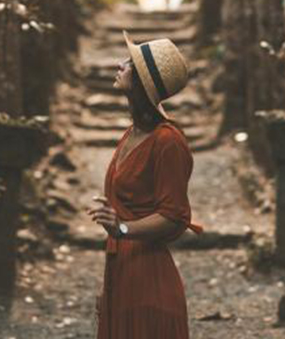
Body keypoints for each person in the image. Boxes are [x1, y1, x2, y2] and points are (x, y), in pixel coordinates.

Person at [87, 31, 203, 339]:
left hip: (149, 285)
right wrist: (108, 287)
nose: (120, 65)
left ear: (142, 82)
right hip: (122, 273)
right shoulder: (132, 133)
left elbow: (175, 216)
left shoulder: (168, 142)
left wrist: (122, 228)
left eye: (130, 63)